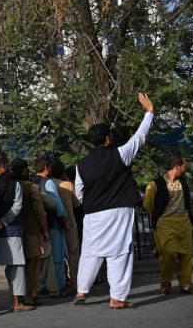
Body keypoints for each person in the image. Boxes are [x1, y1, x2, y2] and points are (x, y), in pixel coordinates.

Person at [74, 93, 154, 308]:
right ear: (107, 139)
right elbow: (139, 138)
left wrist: (92, 202)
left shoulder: (81, 165)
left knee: (90, 252)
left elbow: (79, 192)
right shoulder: (121, 154)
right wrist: (149, 113)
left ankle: (81, 291)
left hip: (93, 214)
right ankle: (117, 298)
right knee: (120, 252)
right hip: (119, 210)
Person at [0, 153, 34, 312]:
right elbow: (17, 206)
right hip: (11, 230)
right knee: (16, 266)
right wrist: (4, 221)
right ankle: (16, 301)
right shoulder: (15, 184)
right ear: (4, 165)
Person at [144, 150, 193, 295]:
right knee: (169, 252)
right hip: (165, 224)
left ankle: (185, 284)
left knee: (187, 255)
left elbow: (187, 203)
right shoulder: (155, 184)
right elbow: (148, 204)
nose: (186, 169)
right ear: (177, 167)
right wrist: (157, 217)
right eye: (185, 166)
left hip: (184, 223)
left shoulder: (183, 183)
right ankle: (166, 280)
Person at [11, 158, 49, 305]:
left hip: (13, 231)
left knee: (17, 264)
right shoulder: (30, 186)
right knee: (32, 262)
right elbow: (40, 211)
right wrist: (45, 231)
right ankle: (31, 293)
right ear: (24, 170)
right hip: (31, 230)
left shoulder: (10, 185)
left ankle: (17, 295)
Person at [34, 157, 70, 295]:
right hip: (53, 224)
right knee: (57, 257)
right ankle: (59, 285)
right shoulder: (47, 182)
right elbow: (57, 205)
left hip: (39, 226)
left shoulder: (32, 181)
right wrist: (65, 221)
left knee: (44, 258)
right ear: (46, 169)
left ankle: (43, 284)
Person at [51, 159, 81, 292]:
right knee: (73, 255)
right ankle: (76, 284)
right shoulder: (68, 185)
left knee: (56, 257)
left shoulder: (48, 184)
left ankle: (58, 284)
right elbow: (77, 204)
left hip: (55, 225)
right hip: (70, 223)